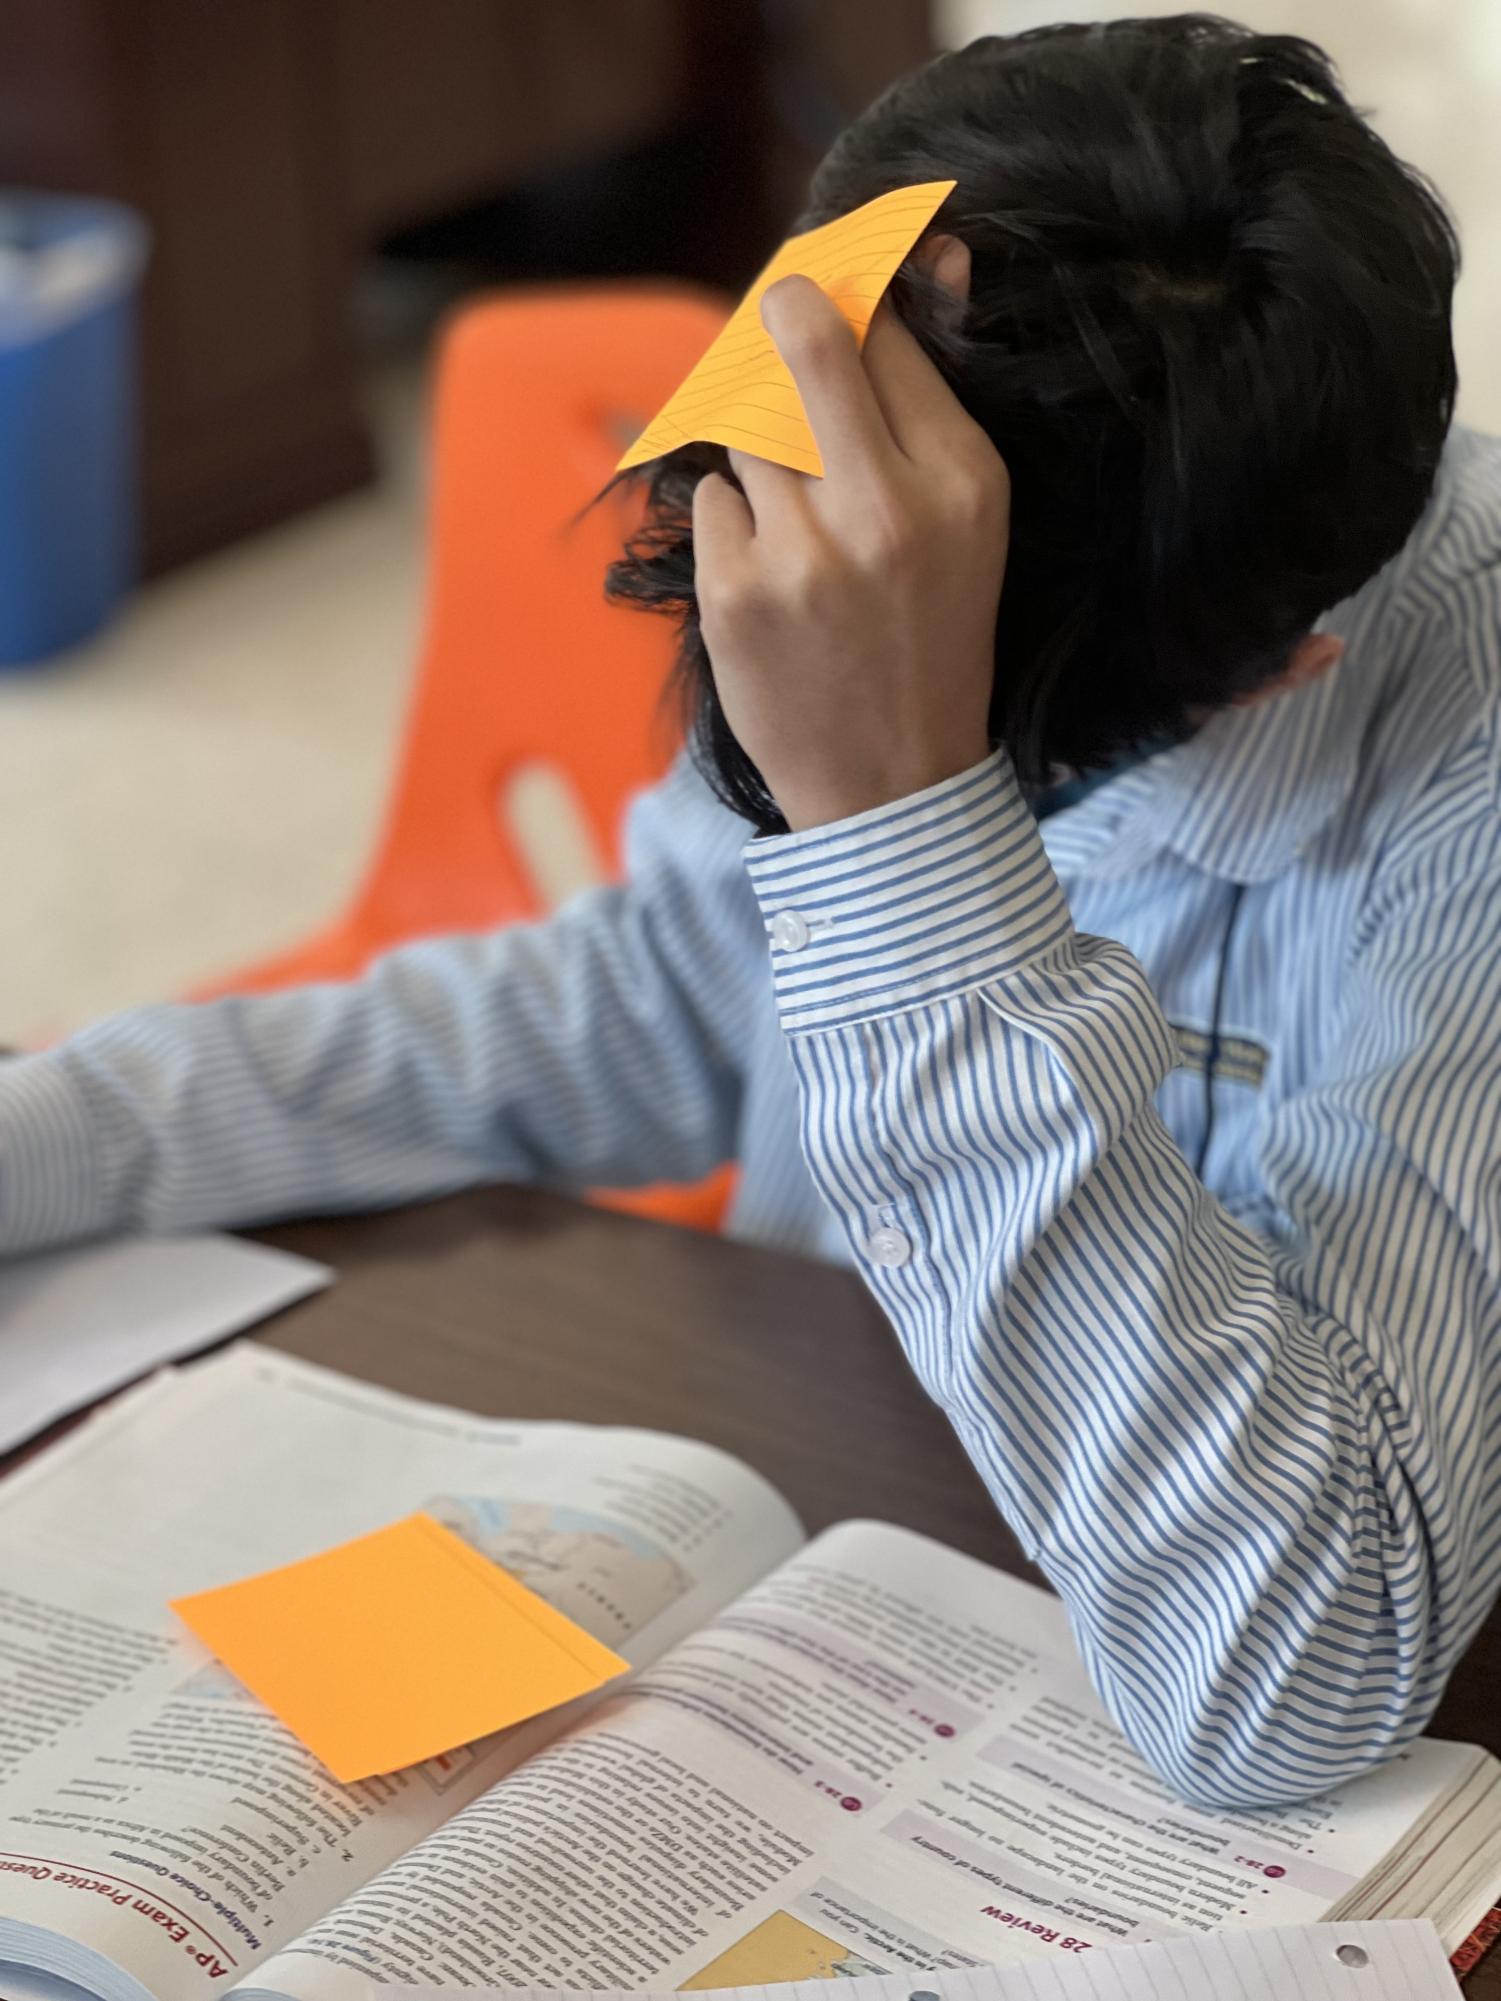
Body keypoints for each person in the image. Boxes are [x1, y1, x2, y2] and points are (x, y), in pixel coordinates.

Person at [3, 16, 1498, 1811]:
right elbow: (642, 995)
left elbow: (1287, 1672)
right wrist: (51, 1133)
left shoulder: (1443, 766)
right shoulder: (853, 511)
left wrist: (903, 832)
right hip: (824, 1525)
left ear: (1267, 683)